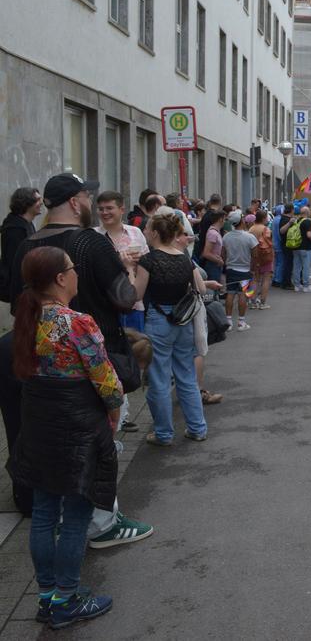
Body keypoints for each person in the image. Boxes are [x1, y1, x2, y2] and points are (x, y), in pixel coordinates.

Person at [7, 173, 154, 550]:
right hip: (92, 359)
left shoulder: (27, 244)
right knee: (100, 445)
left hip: (41, 367)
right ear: (75, 202)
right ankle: (103, 523)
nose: (91, 203)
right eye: (87, 197)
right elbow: (125, 298)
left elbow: (15, 301)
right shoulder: (90, 242)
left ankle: (62, 521)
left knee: (56, 447)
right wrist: (137, 269)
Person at [9, 247, 120, 629]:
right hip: (77, 425)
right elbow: (105, 377)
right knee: (76, 512)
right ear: (60, 278)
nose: (75, 275)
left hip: (39, 424)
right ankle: (67, 599)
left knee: (44, 512)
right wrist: (114, 410)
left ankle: (47, 596)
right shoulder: (77, 322)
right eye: (72, 269)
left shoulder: (26, 317)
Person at [133, 213, 210, 445]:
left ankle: (164, 433)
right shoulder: (184, 258)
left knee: (159, 379)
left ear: (156, 233)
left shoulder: (148, 260)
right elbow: (201, 289)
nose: (145, 232)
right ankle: (197, 428)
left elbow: (136, 295)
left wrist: (128, 269)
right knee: (186, 376)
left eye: (147, 229)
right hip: (184, 319)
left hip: (158, 318)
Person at [95, 191, 149, 332]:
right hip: (103, 305)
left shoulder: (136, 232)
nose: (105, 213)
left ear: (122, 209)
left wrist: (141, 260)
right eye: (101, 209)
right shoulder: (93, 235)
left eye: (109, 208)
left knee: (136, 343)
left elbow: (148, 263)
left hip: (134, 304)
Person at [0, 186, 42, 302]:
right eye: (37, 200)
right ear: (27, 204)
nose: (41, 203)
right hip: (18, 288)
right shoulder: (15, 230)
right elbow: (14, 262)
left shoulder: (26, 224)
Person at [222, 210, 258, 331]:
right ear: (242, 220)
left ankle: (228, 321)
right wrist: (253, 269)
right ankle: (241, 322)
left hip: (231, 269)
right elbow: (255, 255)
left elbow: (223, 254)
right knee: (243, 294)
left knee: (230, 293)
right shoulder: (249, 237)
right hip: (245, 270)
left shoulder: (226, 237)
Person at [249, 210, 274, 309]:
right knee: (266, 279)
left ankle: (252, 301)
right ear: (263, 218)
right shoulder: (266, 229)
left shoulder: (251, 229)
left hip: (254, 256)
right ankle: (263, 303)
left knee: (254, 279)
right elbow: (269, 243)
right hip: (265, 256)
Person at [291, 206, 311, 292]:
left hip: (296, 246)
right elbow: (309, 235)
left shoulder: (297, 221)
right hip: (306, 247)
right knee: (306, 267)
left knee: (297, 267)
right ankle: (306, 286)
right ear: (307, 212)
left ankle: (297, 285)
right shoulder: (307, 221)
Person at [199, 208, 227, 286]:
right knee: (213, 288)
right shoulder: (213, 233)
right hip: (212, 265)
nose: (225, 222)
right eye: (224, 219)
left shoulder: (215, 232)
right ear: (221, 219)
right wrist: (219, 261)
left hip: (215, 264)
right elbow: (206, 253)